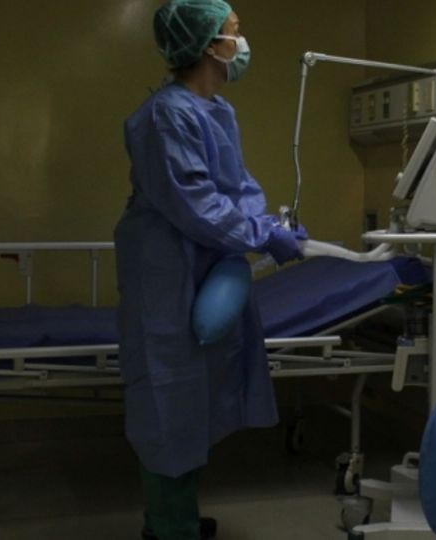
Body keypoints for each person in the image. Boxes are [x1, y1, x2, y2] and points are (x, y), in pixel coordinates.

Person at [114, 1, 306, 538]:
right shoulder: (166, 116)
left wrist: (267, 224)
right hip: (165, 272)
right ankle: (167, 528)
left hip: (204, 265)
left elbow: (234, 191)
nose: (240, 43)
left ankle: (179, 518)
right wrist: (260, 236)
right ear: (207, 46)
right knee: (167, 401)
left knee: (192, 401)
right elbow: (194, 203)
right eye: (233, 32)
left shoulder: (217, 111)